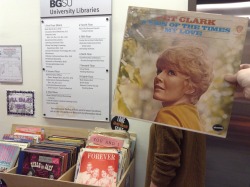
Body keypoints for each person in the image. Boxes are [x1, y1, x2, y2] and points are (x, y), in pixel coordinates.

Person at [145, 45, 214, 187]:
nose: (158, 77)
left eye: (171, 72)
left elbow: (165, 167)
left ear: (191, 87)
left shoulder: (168, 115)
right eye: (159, 70)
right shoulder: (192, 115)